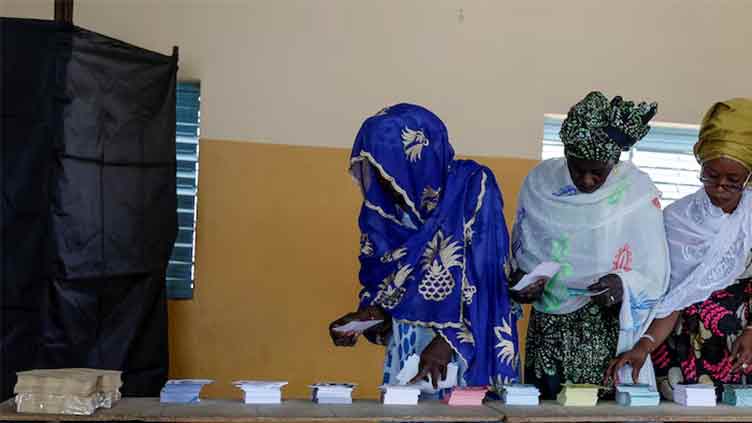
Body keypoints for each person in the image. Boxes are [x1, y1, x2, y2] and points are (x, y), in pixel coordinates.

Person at [328, 103, 519, 392]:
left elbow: (490, 280)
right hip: (406, 348)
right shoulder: (383, 214)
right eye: (377, 170)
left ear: (420, 159)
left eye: (392, 169)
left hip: (462, 351)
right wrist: (367, 317)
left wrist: (446, 343)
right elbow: (388, 288)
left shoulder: (472, 188)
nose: (384, 182)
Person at [511, 91, 670, 399]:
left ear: (615, 160)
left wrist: (623, 284)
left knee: (601, 409)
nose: (586, 180)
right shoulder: (541, 184)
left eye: (597, 171)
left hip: (606, 328)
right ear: (566, 156)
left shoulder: (635, 192)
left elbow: (655, 269)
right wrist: (522, 282)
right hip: (549, 328)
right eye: (577, 168)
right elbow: (521, 255)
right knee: (545, 410)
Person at [606, 98, 752, 399]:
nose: (720, 186)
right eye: (711, 176)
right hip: (680, 350)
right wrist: (643, 347)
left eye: (733, 180)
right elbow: (671, 297)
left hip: (742, 346)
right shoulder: (676, 219)